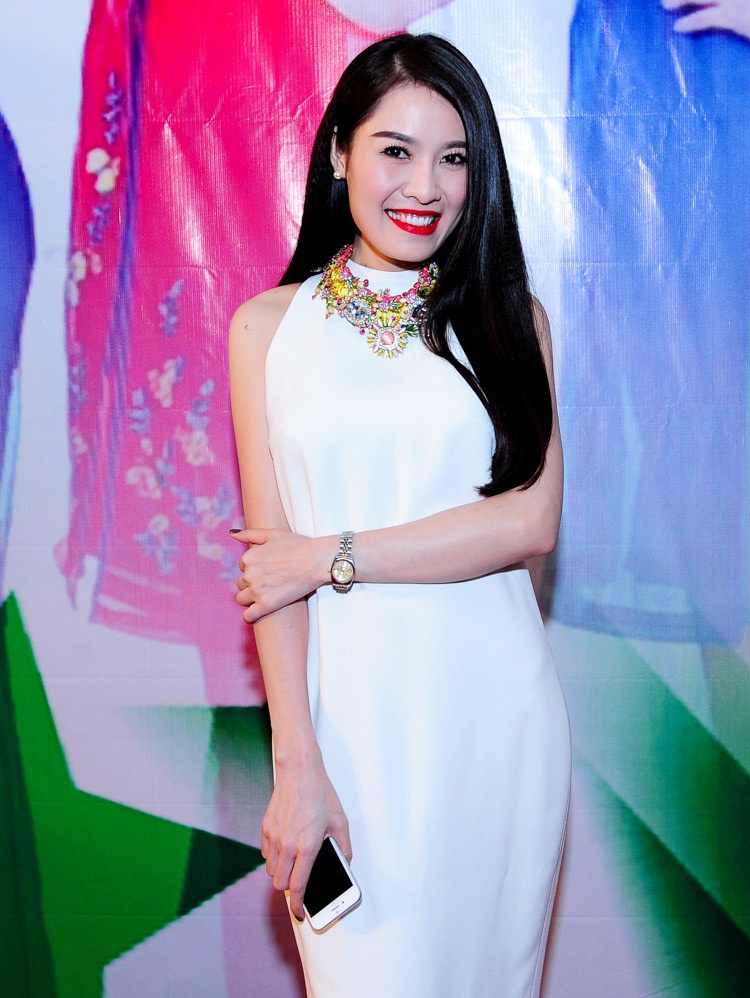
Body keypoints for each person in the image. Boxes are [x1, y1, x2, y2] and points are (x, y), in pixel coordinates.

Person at [228, 33, 570, 997]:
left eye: (453, 157)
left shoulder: (511, 321)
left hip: (495, 728)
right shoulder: (267, 329)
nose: (425, 186)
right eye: (396, 150)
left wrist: (327, 556)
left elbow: (528, 523)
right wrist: (296, 764)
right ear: (340, 152)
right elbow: (271, 573)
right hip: (348, 743)